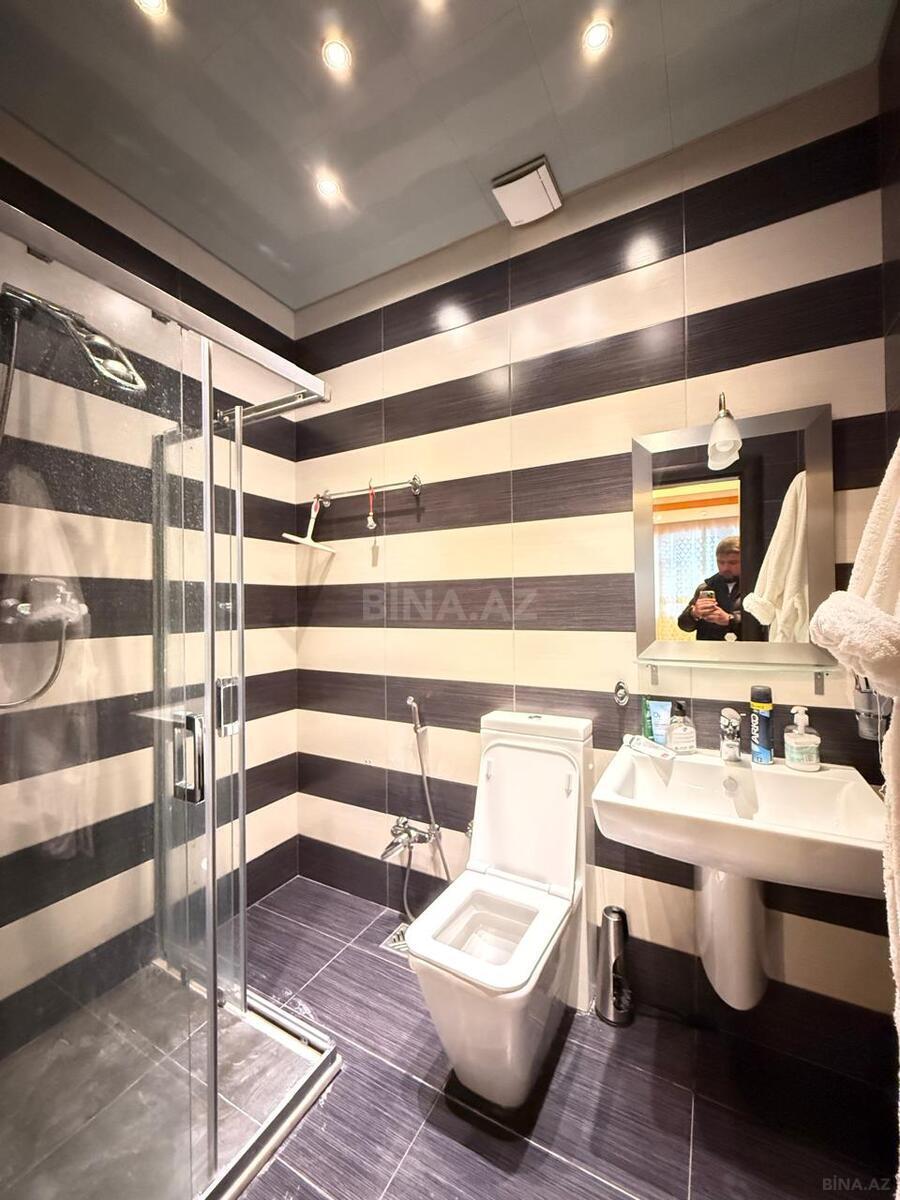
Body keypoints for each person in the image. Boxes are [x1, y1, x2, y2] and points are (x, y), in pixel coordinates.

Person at [677, 535, 742, 641]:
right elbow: (683, 625)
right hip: (708, 650)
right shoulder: (705, 588)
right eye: (721, 562)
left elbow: (763, 626)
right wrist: (693, 613)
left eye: (732, 563)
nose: (725, 568)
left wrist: (730, 620)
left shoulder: (756, 588)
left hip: (745, 650)